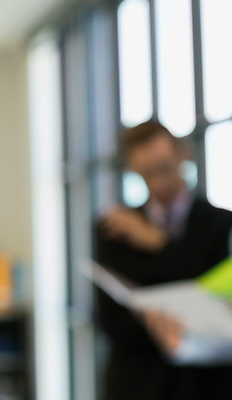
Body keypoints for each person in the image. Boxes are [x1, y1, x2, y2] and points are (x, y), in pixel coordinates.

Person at [96, 120, 232, 400]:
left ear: (183, 156)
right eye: (147, 173)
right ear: (134, 170)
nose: (159, 182)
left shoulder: (221, 224)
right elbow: (111, 320)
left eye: (165, 168)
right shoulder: (116, 229)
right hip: (137, 384)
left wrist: (156, 243)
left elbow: (213, 297)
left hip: (205, 385)